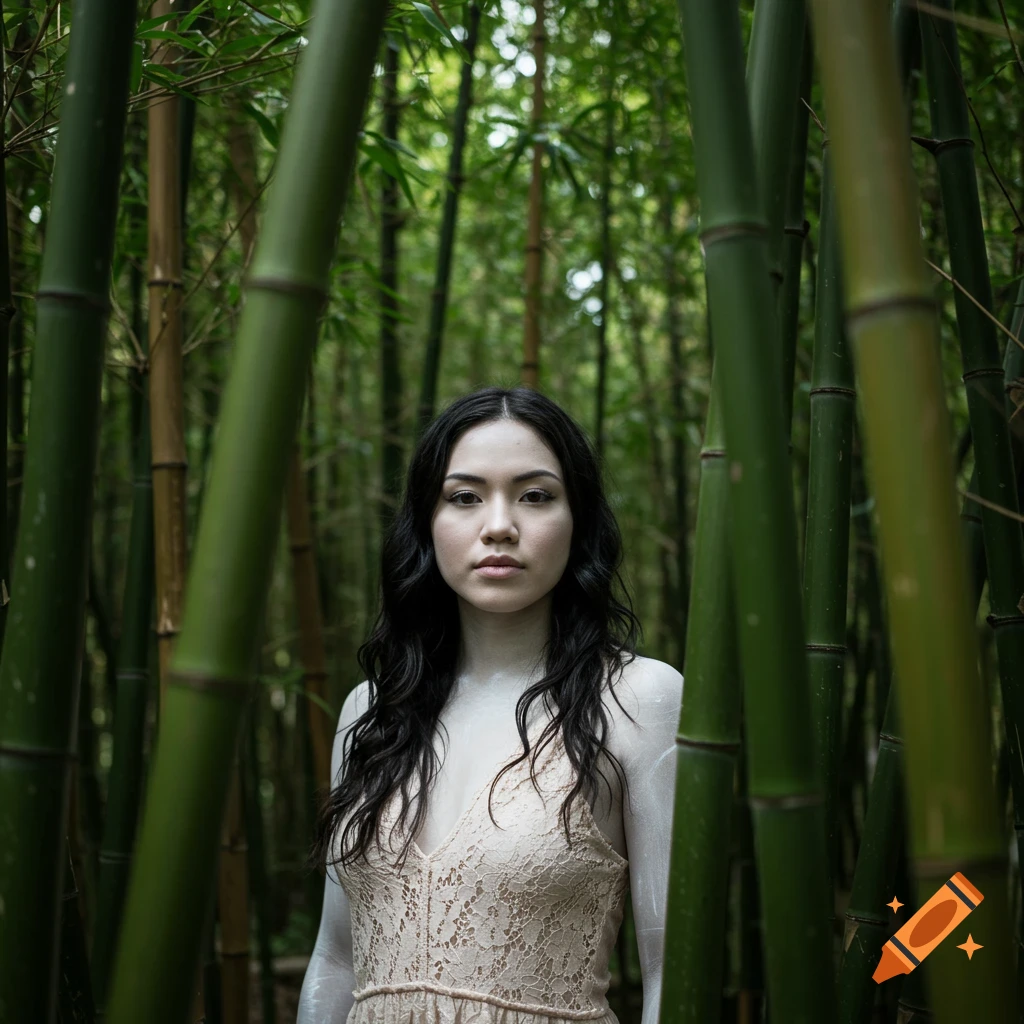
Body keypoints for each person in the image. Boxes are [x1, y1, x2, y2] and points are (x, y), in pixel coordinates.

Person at [297, 385, 683, 1024]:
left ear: (578, 519)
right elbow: (336, 960)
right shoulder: (371, 712)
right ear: (428, 521)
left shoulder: (639, 699)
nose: (499, 525)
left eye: (535, 496)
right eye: (464, 497)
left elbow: (674, 970)